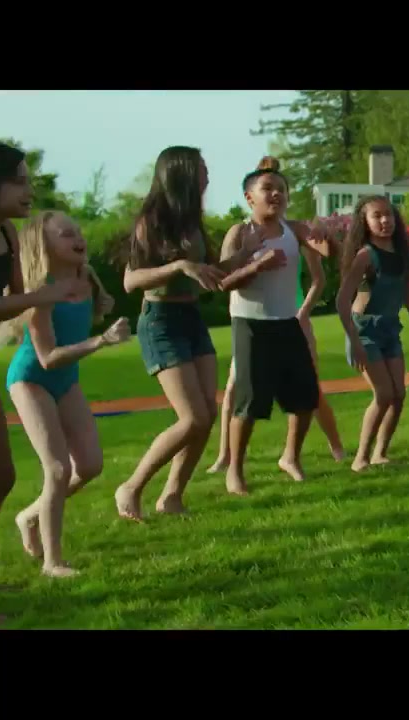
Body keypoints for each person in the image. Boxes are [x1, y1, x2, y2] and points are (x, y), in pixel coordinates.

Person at [116, 146, 267, 521]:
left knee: (207, 415)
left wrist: (246, 256)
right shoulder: (152, 221)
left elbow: (212, 274)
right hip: (161, 322)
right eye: (201, 168)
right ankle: (131, 487)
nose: (208, 175)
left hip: (191, 318)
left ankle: (172, 496)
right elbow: (131, 281)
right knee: (193, 418)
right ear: (180, 173)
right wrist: (180, 266)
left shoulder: (192, 222)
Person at [7, 212, 132, 577]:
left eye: (78, 231)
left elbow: (83, 319)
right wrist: (101, 340)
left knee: (90, 465)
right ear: (43, 246)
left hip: (67, 379)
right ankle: (53, 562)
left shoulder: (86, 276)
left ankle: (31, 516)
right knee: (58, 469)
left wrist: (100, 309)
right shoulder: (41, 292)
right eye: (66, 234)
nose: (78, 238)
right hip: (31, 379)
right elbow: (47, 358)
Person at [0, 144, 90, 586]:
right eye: (19, 181)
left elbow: (14, 303)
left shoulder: (8, 235)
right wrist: (41, 297)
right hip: (28, 377)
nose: (29, 189)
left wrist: (48, 293)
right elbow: (26, 301)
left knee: (0, 476)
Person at [208, 157, 343, 473]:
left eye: (282, 189)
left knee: (306, 397)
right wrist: (257, 266)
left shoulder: (294, 229)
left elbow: (331, 254)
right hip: (250, 324)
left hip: (288, 322)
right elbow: (222, 282)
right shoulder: (239, 232)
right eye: (267, 188)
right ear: (249, 197)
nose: (276, 194)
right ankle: (235, 470)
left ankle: (290, 457)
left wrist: (327, 234)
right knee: (249, 403)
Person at [338, 195, 409, 472]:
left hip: (390, 331)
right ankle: (360, 458)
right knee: (383, 395)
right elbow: (342, 300)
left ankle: (380, 454)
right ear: (365, 222)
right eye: (377, 216)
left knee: (399, 394)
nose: (385, 221)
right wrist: (354, 340)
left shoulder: (403, 256)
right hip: (364, 332)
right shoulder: (365, 256)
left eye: (389, 215)